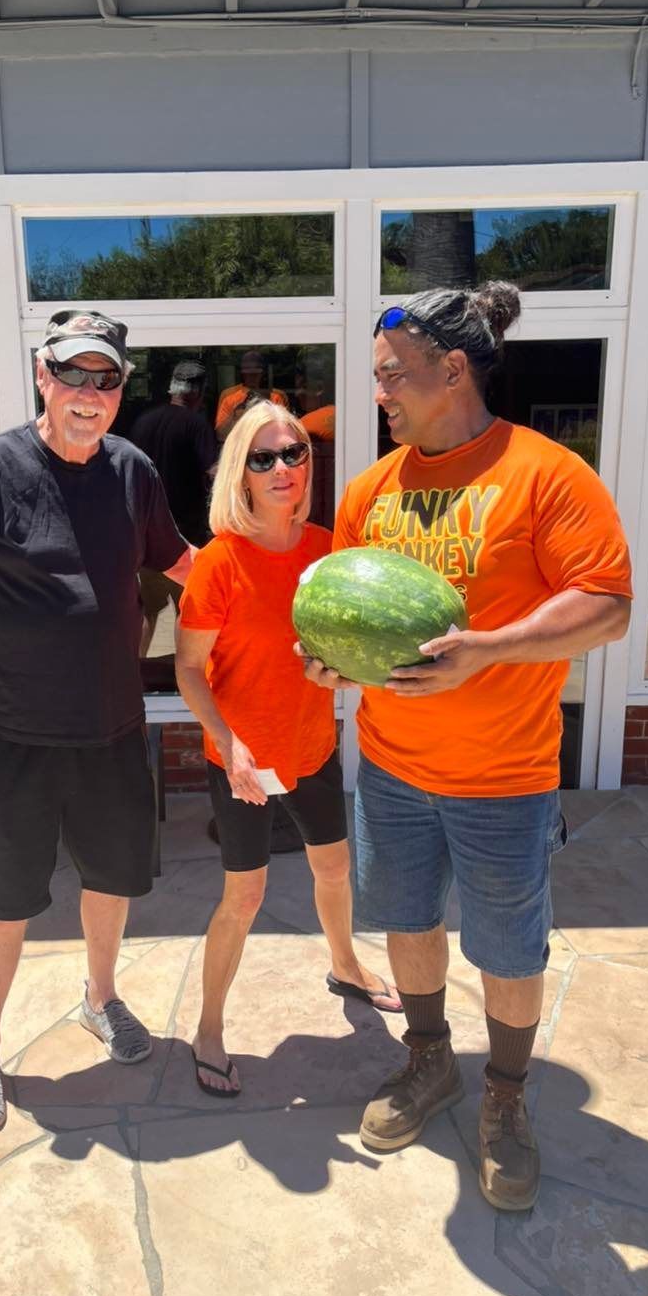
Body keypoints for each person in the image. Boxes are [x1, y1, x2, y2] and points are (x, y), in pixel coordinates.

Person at [302, 282, 632, 1210]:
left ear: (454, 370)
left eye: (392, 376)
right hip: (395, 769)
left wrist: (488, 649)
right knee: (407, 924)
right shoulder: (370, 491)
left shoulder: (544, 473)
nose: (380, 394)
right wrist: (333, 666)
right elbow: (351, 616)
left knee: (509, 950)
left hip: (505, 774)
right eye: (377, 379)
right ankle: (431, 1062)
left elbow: (605, 605)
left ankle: (505, 1098)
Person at [0, 308, 194, 1135]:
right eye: (73, 374)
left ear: (121, 390)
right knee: (6, 901)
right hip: (12, 740)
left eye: (105, 379)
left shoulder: (133, 470)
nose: (88, 393)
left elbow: (182, 565)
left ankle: (99, 999)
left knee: (111, 883)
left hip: (110, 732)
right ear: (43, 374)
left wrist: (274, 598)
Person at [176, 401, 401, 1098]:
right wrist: (229, 744)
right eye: (263, 457)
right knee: (244, 897)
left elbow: (343, 647)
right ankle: (208, 1028)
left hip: (312, 748)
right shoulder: (219, 563)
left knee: (334, 870)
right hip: (244, 759)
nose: (281, 469)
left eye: (293, 454)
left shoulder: (329, 551)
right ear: (239, 473)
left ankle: (347, 966)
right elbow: (188, 669)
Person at [130, 360, 218, 657]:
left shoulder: (144, 422)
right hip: (186, 538)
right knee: (191, 612)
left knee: (147, 611)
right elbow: (216, 472)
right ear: (198, 392)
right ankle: (186, 678)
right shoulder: (195, 425)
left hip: (146, 538)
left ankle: (135, 672)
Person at [214, 350, 289, 440]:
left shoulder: (276, 396)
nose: (252, 377)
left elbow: (285, 430)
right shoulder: (229, 396)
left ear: (262, 373)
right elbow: (220, 434)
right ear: (242, 373)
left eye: (256, 374)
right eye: (248, 374)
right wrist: (235, 417)